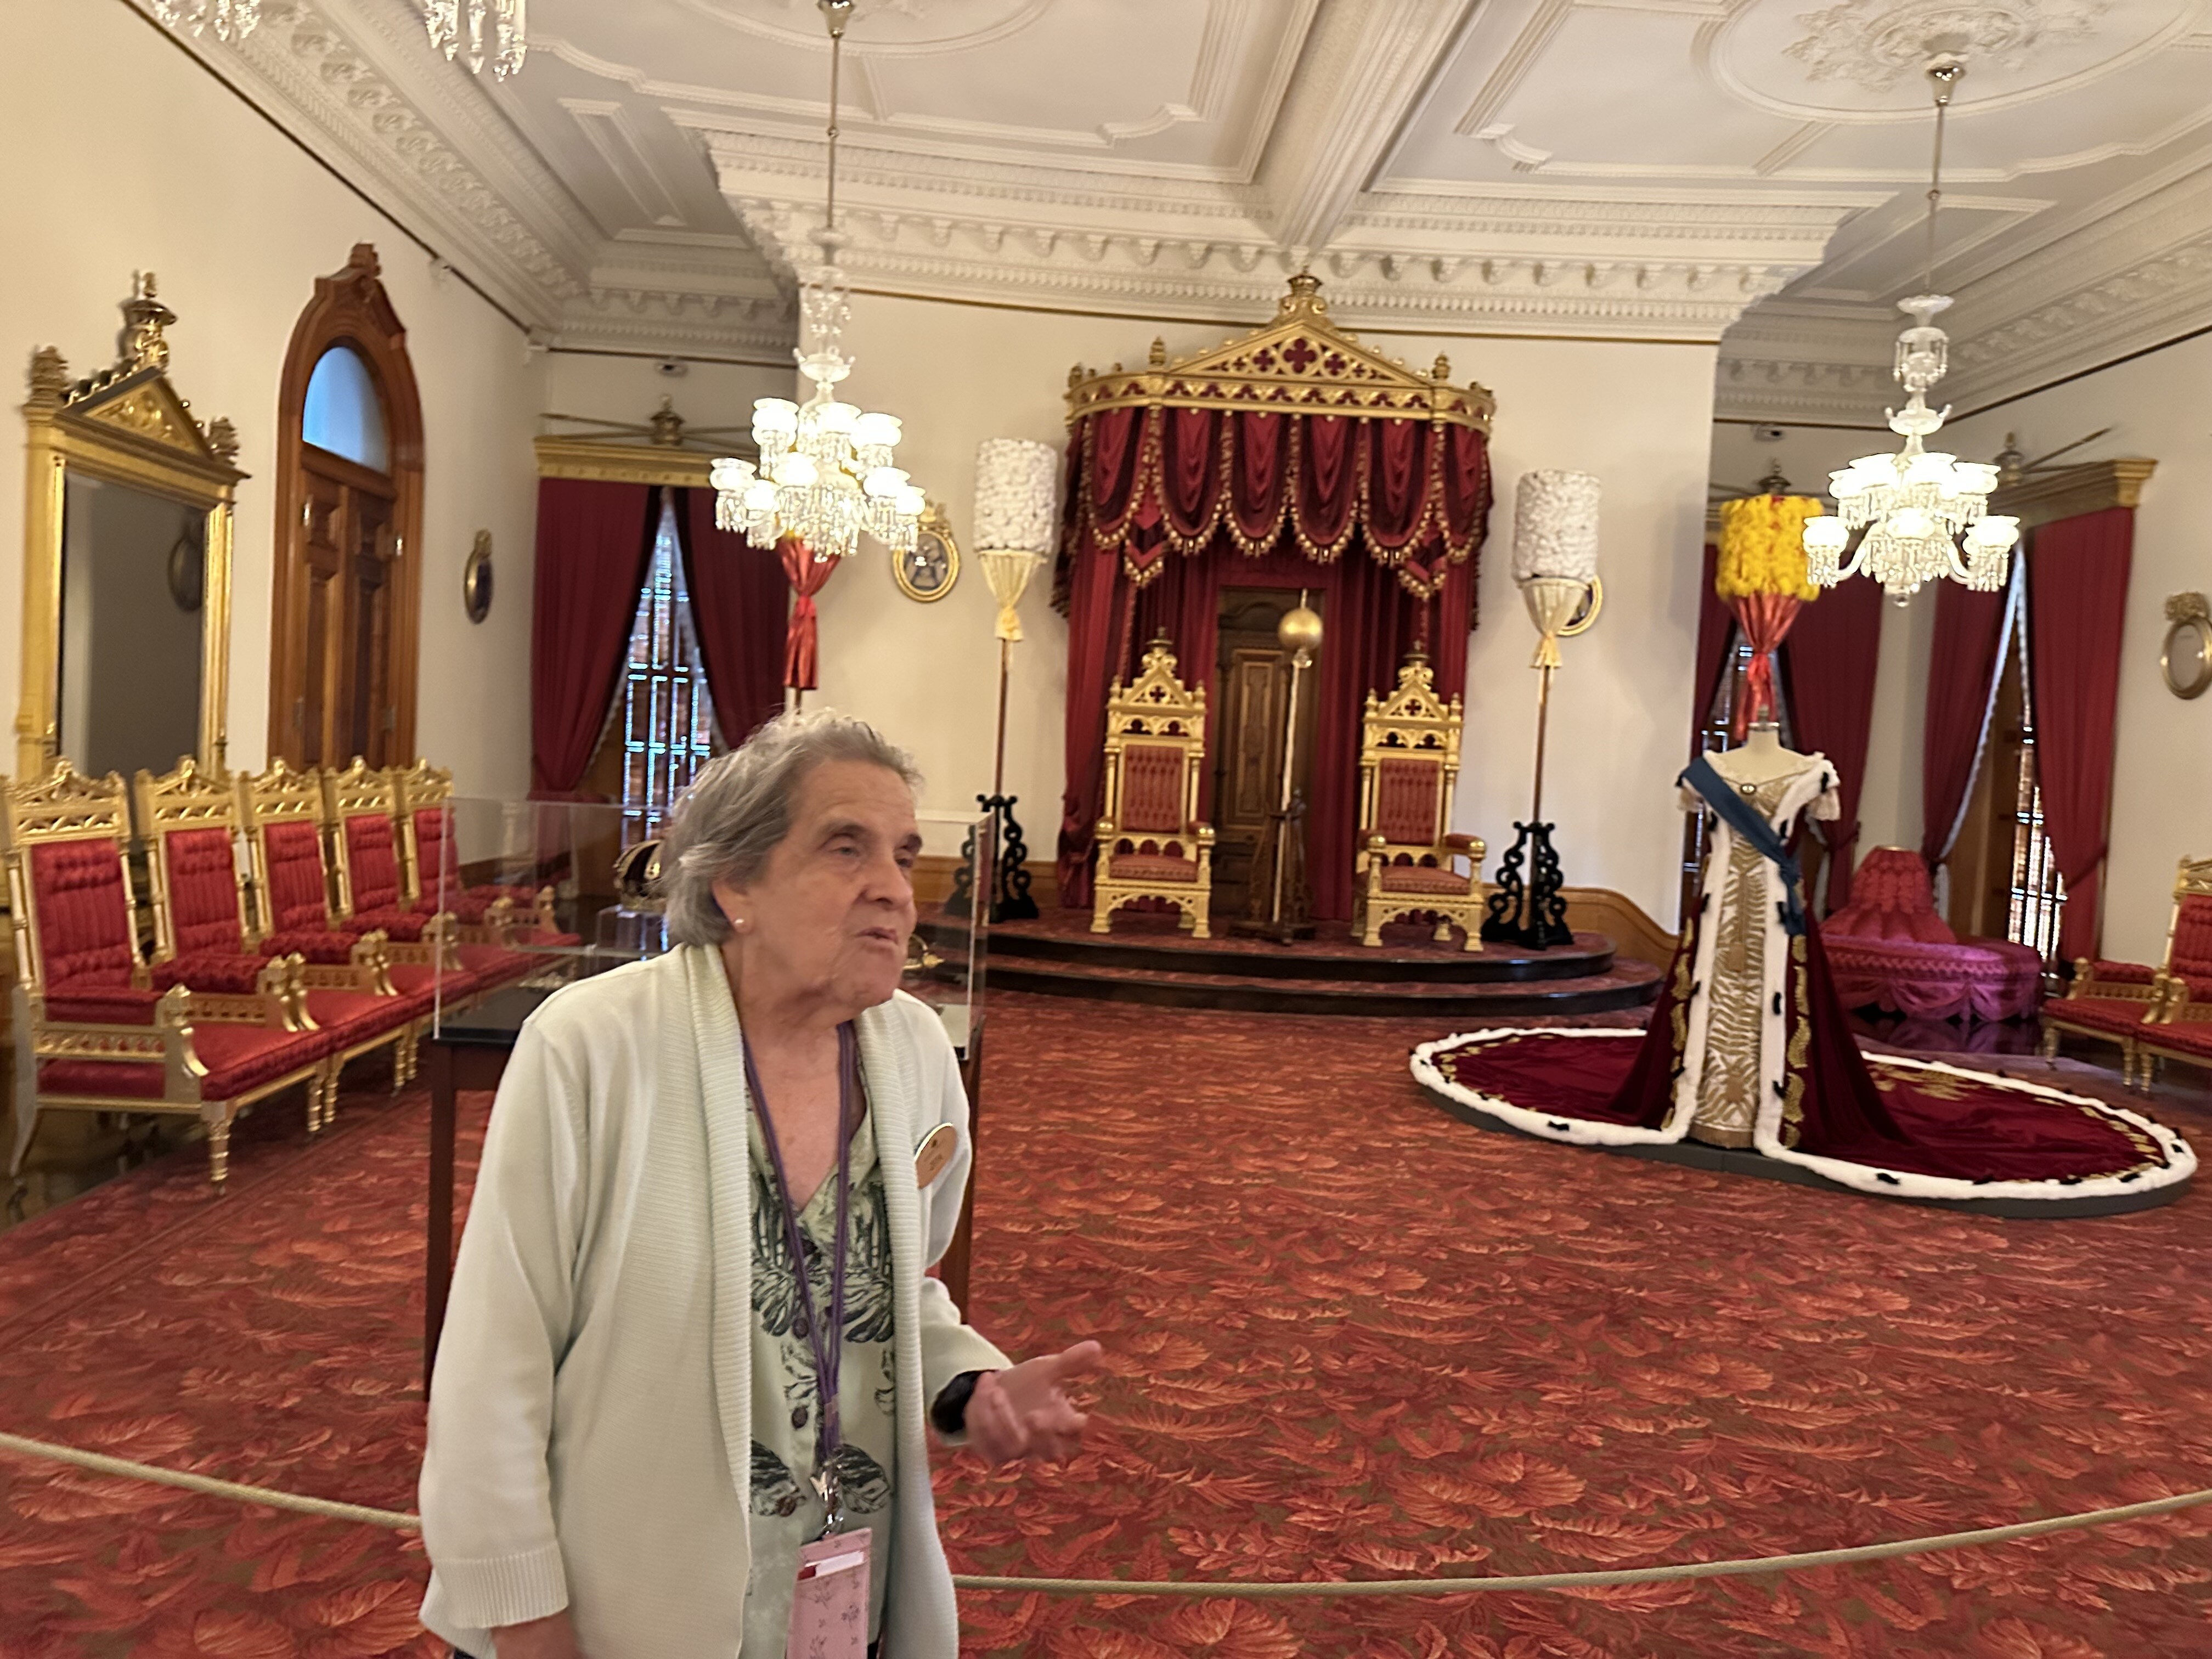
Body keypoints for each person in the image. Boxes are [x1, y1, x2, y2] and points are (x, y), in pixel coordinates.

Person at [418, 711, 1102, 1659]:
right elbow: (494, 1369)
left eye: (905, 856)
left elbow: (893, 1287)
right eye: (845, 848)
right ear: (736, 881)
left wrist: (969, 1383)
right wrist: (529, 1625)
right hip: (626, 1609)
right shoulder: (593, 1047)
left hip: (837, 1596)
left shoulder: (912, 1053)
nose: (896, 891)